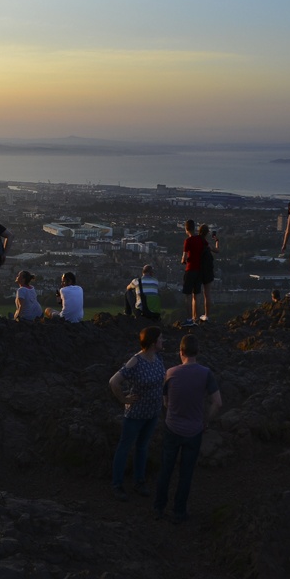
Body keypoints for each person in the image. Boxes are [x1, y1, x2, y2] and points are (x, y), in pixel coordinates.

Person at [155, 334, 222, 523]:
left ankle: (159, 507)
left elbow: (166, 401)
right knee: (186, 473)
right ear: (197, 352)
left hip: (172, 427)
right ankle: (179, 512)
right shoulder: (205, 373)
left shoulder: (171, 373)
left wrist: (174, 412)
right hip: (194, 430)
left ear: (181, 352)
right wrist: (205, 420)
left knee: (166, 469)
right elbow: (218, 403)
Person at [108, 328, 165, 500]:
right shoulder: (136, 361)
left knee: (142, 447)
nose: (164, 341)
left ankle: (139, 482)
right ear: (153, 342)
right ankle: (117, 485)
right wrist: (123, 399)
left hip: (152, 412)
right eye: (161, 339)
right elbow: (114, 381)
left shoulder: (158, 359)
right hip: (135, 414)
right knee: (125, 448)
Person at [179, 221, 208, 327]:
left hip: (190, 269)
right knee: (197, 295)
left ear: (186, 229)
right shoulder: (201, 239)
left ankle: (189, 319)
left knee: (187, 295)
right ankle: (196, 318)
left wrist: (183, 261)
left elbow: (184, 258)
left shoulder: (188, 241)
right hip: (199, 271)